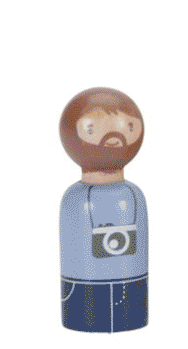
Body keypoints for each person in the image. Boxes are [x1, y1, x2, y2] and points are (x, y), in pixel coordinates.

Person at [59, 87, 148, 333]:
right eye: (93, 129)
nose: (113, 137)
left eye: (128, 127)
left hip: (131, 284)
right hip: (82, 287)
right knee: (85, 310)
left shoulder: (133, 196)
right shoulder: (75, 199)